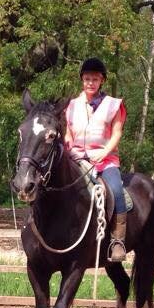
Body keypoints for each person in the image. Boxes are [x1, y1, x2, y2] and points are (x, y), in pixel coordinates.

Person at [65, 57, 129, 262]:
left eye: (94, 79)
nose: (90, 83)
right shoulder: (71, 105)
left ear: (102, 80)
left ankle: (117, 241)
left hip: (104, 160)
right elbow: (68, 133)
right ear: (82, 80)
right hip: (76, 159)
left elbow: (117, 133)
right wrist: (68, 148)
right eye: (87, 79)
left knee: (116, 190)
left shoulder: (113, 105)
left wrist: (105, 151)